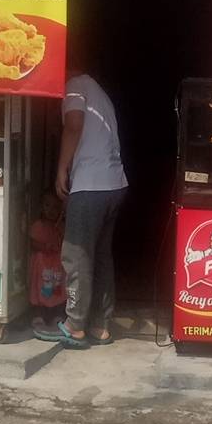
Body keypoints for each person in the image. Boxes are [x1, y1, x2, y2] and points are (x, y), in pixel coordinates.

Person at [44, 65, 127, 349]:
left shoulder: (75, 85)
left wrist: (61, 169)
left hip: (90, 186)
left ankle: (75, 325)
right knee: (102, 257)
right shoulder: (100, 93)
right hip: (114, 184)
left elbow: (74, 124)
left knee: (76, 254)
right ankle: (101, 326)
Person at [29, 191, 66, 333]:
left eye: (56, 207)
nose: (51, 210)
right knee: (40, 290)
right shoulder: (38, 225)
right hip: (42, 264)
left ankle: (56, 313)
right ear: (41, 207)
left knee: (56, 289)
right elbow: (33, 243)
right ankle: (39, 313)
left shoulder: (61, 227)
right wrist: (45, 247)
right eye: (47, 205)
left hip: (56, 265)